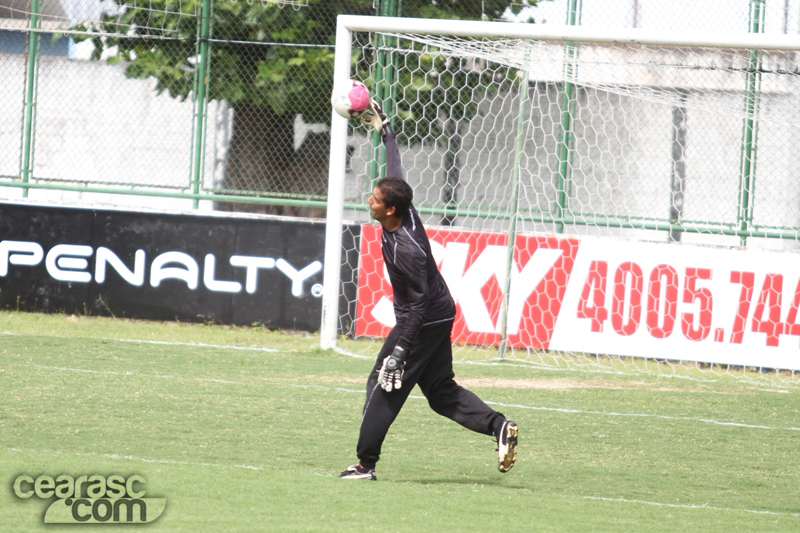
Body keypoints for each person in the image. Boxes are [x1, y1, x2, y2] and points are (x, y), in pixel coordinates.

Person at [338, 101, 518, 481]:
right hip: (437, 311)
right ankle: (498, 425)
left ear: (390, 211)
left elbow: (416, 307)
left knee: (384, 383)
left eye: (374, 199)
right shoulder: (405, 207)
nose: (369, 200)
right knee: (439, 391)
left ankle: (365, 465)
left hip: (423, 317)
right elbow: (396, 172)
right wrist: (387, 133)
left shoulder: (408, 250)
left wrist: (400, 352)